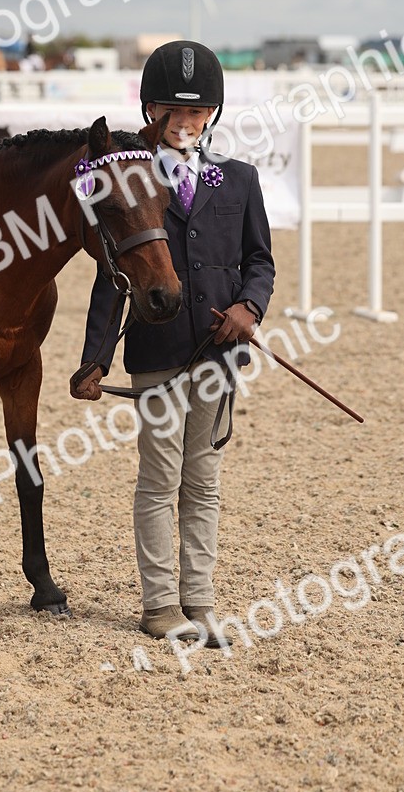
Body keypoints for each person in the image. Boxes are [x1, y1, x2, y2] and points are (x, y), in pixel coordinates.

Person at [71, 40, 275, 645]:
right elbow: (114, 276)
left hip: (217, 356)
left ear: (211, 115)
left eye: (196, 112)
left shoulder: (239, 180)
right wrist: (94, 359)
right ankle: (160, 606)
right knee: (159, 479)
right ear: (151, 113)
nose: (185, 124)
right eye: (172, 112)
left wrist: (249, 307)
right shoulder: (130, 181)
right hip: (158, 354)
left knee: (203, 480)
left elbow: (260, 261)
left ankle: (201, 602)